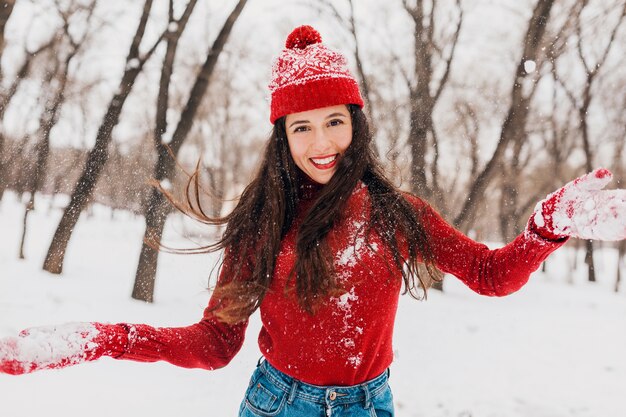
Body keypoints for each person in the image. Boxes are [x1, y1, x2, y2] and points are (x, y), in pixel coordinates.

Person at [1, 25, 625, 417]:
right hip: (279, 404)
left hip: (370, 404)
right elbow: (214, 345)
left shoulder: (397, 213)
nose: (321, 140)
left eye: (334, 120)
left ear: (355, 121)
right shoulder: (262, 224)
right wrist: (101, 339)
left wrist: (549, 224)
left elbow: (492, 276)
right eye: (302, 126)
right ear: (283, 136)